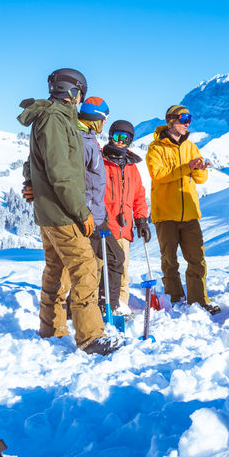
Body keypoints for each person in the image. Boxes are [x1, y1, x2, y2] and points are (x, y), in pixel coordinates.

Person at [17, 68, 122, 355]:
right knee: (85, 268)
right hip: (63, 212)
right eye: (81, 95)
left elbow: (34, 162)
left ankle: (51, 328)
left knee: (56, 269)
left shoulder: (57, 119)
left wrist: (31, 183)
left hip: (52, 211)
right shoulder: (54, 119)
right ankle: (90, 337)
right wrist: (82, 211)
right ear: (74, 92)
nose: (81, 101)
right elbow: (60, 172)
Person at [146, 105, 221, 315]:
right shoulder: (155, 148)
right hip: (165, 214)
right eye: (184, 118)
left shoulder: (191, 147)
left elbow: (200, 179)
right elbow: (158, 175)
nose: (188, 123)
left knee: (197, 258)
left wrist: (199, 170)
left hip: (189, 214)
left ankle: (199, 300)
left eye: (190, 118)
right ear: (171, 121)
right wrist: (187, 167)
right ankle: (175, 298)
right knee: (170, 260)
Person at [75, 97, 125, 315]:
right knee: (112, 258)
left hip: (97, 214)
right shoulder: (83, 143)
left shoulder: (89, 139)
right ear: (96, 118)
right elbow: (75, 182)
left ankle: (104, 304)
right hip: (88, 216)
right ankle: (107, 307)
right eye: (104, 119)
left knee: (110, 258)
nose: (105, 123)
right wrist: (83, 212)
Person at [102, 119, 151, 314]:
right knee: (101, 269)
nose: (121, 141)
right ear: (110, 136)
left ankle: (120, 306)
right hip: (104, 226)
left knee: (122, 271)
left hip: (124, 229)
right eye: (117, 136)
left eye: (126, 138)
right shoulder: (101, 161)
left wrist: (141, 219)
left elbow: (139, 195)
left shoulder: (132, 166)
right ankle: (102, 304)